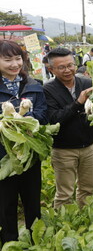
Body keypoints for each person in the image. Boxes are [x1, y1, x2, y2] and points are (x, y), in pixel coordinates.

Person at [0, 40, 47, 244]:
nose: (14, 64)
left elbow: (44, 115)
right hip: (4, 157)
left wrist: (32, 118)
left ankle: (35, 240)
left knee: (32, 202)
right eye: (7, 59)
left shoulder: (33, 85)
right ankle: (9, 241)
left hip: (30, 156)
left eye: (18, 58)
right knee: (6, 203)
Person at [44, 48, 93, 208]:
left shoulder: (87, 83)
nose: (68, 70)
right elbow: (54, 119)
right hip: (64, 149)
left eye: (70, 65)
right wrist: (78, 103)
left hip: (89, 146)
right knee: (64, 193)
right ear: (51, 69)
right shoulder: (47, 90)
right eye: (61, 67)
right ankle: (63, 225)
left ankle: (86, 218)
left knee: (88, 188)